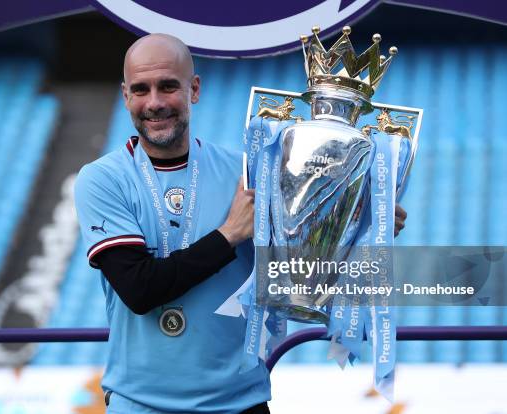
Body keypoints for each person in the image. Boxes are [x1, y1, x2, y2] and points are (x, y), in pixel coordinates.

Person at [74, 33, 407, 414]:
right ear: (125, 97)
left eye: (168, 86)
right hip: (141, 404)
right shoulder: (102, 179)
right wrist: (229, 234)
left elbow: (298, 269)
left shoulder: (250, 170)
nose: (154, 102)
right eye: (141, 89)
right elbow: (139, 289)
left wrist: (358, 226)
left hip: (239, 403)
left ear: (193, 89)